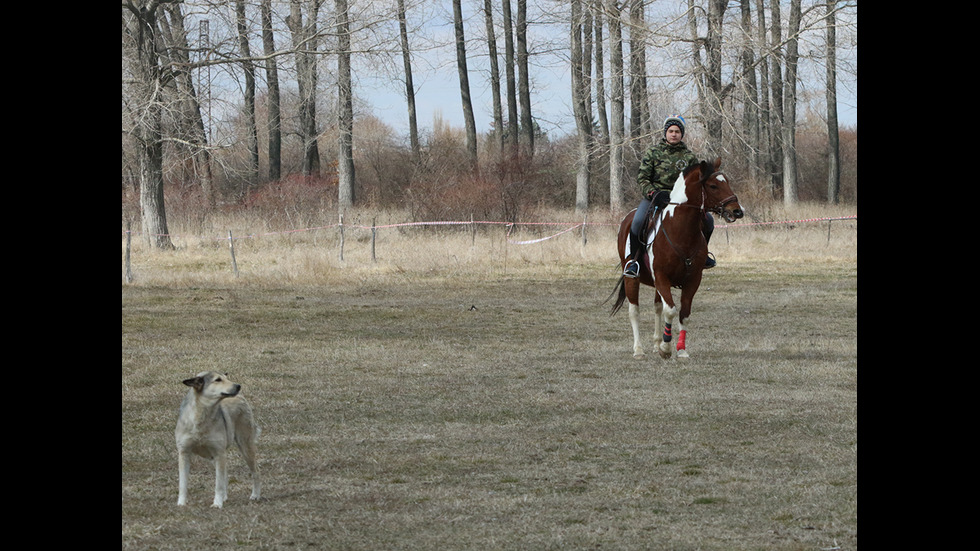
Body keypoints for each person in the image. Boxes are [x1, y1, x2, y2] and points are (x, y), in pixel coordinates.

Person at [623, 115, 715, 278]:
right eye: (671, 131)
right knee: (637, 222)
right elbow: (642, 178)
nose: (674, 134)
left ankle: (702, 255)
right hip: (655, 197)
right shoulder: (653, 152)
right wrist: (653, 193)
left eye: (677, 132)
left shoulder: (689, 157)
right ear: (666, 133)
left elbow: (695, 183)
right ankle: (634, 261)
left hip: (681, 201)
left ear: (682, 134)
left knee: (708, 220)